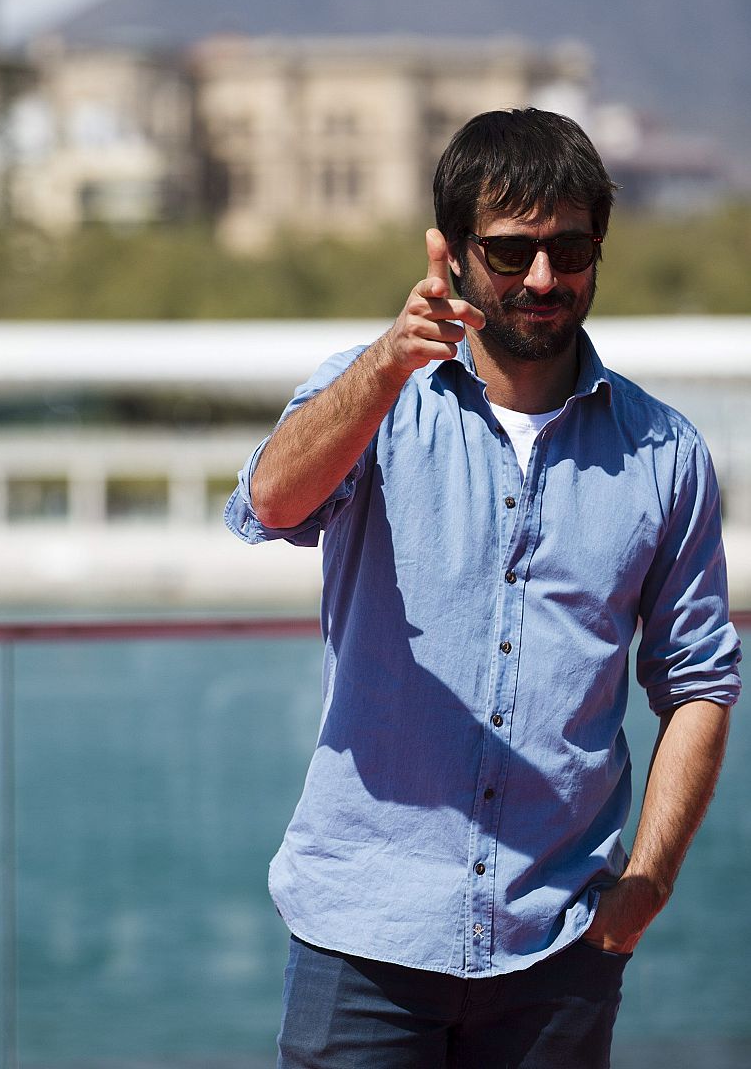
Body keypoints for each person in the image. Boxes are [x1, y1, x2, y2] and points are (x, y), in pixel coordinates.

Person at [224, 108, 741, 1069]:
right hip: (362, 946)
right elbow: (271, 502)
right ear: (452, 253)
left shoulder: (665, 454)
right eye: (509, 252)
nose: (542, 279)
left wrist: (647, 886)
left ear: (599, 251)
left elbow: (701, 683)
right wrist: (387, 361)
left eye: (569, 247)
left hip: (559, 954)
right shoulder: (372, 396)